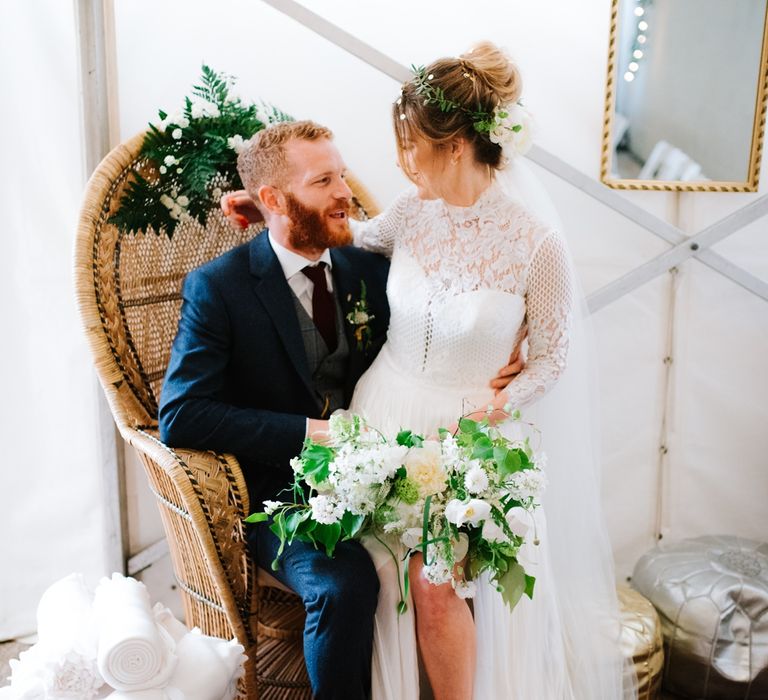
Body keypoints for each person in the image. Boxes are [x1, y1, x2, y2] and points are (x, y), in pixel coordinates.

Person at [162, 119, 523, 699]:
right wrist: (312, 433)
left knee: (450, 563)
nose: (344, 193)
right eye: (324, 180)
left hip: (394, 477)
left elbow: (451, 306)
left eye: (342, 174)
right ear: (275, 199)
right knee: (345, 586)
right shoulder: (220, 288)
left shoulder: (369, 268)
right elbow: (182, 415)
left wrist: (513, 352)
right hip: (286, 496)